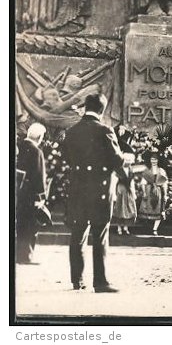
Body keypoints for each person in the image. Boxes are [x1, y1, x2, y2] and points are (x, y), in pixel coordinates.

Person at [62, 93, 124, 292]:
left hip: (78, 188)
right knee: (100, 234)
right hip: (100, 189)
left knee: (78, 233)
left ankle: (77, 280)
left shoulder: (71, 131)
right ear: (101, 110)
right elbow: (116, 160)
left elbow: (66, 158)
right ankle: (100, 282)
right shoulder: (105, 130)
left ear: (85, 107)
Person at [16, 123, 47, 264]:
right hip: (30, 197)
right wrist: (41, 198)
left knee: (20, 225)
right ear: (39, 137)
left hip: (19, 195)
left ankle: (18, 255)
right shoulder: (36, 151)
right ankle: (26, 256)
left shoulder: (19, 147)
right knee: (30, 226)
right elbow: (39, 177)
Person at [138, 152, 168, 235]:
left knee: (158, 210)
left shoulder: (161, 170)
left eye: (155, 160)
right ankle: (146, 228)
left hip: (157, 192)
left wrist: (165, 194)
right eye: (152, 159)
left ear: (158, 161)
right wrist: (144, 192)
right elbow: (143, 182)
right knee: (146, 208)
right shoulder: (147, 170)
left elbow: (164, 183)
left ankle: (155, 229)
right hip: (148, 191)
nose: (153, 161)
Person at [111, 153, 137, 236]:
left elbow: (132, 182)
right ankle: (119, 228)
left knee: (128, 208)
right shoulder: (118, 170)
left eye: (129, 160)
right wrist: (114, 194)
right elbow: (114, 182)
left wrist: (134, 192)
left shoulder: (131, 170)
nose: (128, 162)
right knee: (119, 208)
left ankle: (126, 227)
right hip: (120, 190)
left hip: (128, 190)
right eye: (126, 160)